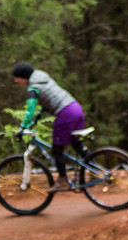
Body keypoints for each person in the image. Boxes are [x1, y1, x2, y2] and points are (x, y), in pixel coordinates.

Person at [12, 62, 86, 193]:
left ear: (24, 76)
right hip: (75, 108)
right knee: (77, 144)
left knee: (57, 149)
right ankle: (92, 172)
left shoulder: (33, 87)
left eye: (17, 77)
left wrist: (23, 126)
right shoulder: (42, 78)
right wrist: (38, 117)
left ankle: (63, 182)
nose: (15, 80)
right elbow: (51, 98)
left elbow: (30, 109)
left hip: (65, 113)